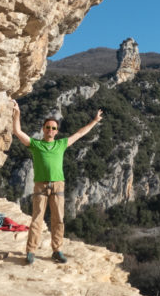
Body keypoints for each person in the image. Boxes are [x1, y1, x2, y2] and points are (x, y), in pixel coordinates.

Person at [11, 99, 103, 265]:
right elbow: (17, 131)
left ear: (56, 131)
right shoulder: (35, 144)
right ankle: (31, 251)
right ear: (43, 129)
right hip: (40, 185)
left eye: (53, 128)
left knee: (58, 219)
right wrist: (17, 113)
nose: (50, 130)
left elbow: (80, 134)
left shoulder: (61, 144)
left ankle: (57, 250)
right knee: (37, 219)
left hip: (58, 185)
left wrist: (94, 121)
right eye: (48, 127)